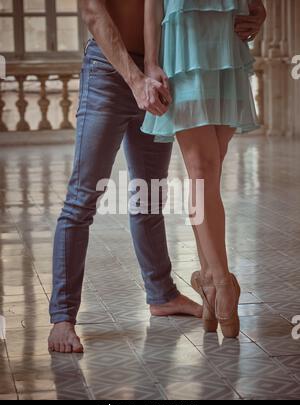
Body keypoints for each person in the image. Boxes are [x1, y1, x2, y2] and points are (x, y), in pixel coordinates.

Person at [48, 0, 266, 353]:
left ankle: (162, 295)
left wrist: (258, 10)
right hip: (110, 70)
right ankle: (62, 318)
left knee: (149, 196)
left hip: (164, 68)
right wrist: (136, 79)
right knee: (82, 199)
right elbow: (92, 12)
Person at [141, 0, 266, 338]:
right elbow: (151, 5)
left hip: (227, 41)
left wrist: (260, 11)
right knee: (201, 170)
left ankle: (211, 282)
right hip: (183, 45)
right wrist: (151, 63)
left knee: (207, 175)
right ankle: (224, 285)